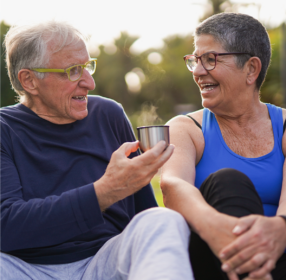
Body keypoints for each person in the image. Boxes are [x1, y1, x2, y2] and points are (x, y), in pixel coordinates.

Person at [0, 21, 194, 280]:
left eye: (87, 67)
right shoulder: (4, 129)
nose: (89, 83)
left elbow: (144, 213)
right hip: (24, 269)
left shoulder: (108, 114)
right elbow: (7, 225)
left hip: (105, 261)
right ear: (29, 80)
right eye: (73, 71)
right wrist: (104, 192)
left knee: (162, 221)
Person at [160, 12, 286, 280]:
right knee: (227, 181)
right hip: (217, 263)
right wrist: (221, 231)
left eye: (210, 59)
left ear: (251, 69)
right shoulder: (185, 128)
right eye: (195, 61)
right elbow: (172, 186)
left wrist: (280, 231)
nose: (198, 72)